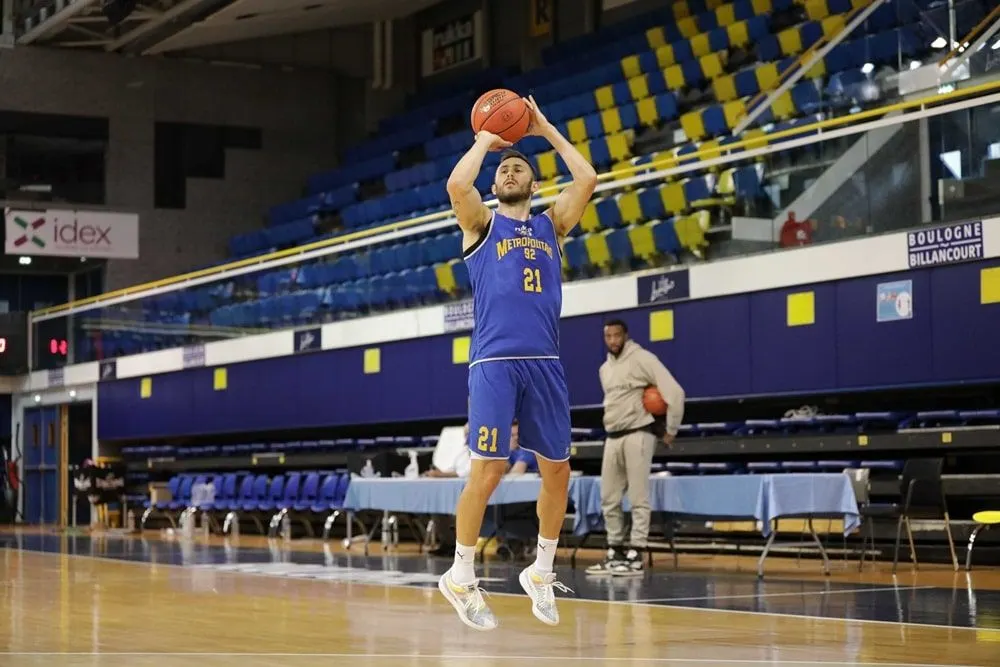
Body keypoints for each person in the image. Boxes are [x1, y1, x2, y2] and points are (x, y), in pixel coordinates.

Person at [438, 95, 597, 631]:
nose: (510, 169)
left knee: (559, 471)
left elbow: (588, 178)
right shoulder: (481, 226)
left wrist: (547, 129)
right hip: (494, 363)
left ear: (531, 183)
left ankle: (542, 570)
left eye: (518, 166)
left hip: (546, 362)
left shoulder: (552, 225)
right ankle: (460, 575)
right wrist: (487, 137)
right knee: (489, 470)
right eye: (504, 168)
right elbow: (458, 186)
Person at [587, 318, 685, 576]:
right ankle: (615, 550)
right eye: (607, 336)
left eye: (616, 336)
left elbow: (675, 393)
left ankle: (636, 552)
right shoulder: (604, 369)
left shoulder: (643, 358)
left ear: (626, 336)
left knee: (638, 497)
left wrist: (671, 428)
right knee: (609, 497)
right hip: (613, 435)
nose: (612, 341)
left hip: (639, 433)